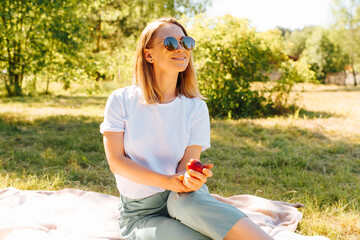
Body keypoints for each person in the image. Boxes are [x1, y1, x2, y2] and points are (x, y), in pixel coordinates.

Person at [100, 17, 273, 240]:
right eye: (171, 43)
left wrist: (190, 178)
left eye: (186, 42)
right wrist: (167, 182)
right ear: (148, 55)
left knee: (187, 206)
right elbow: (116, 162)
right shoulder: (121, 100)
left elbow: (186, 166)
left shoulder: (196, 107)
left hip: (184, 198)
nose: (181, 49)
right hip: (141, 213)